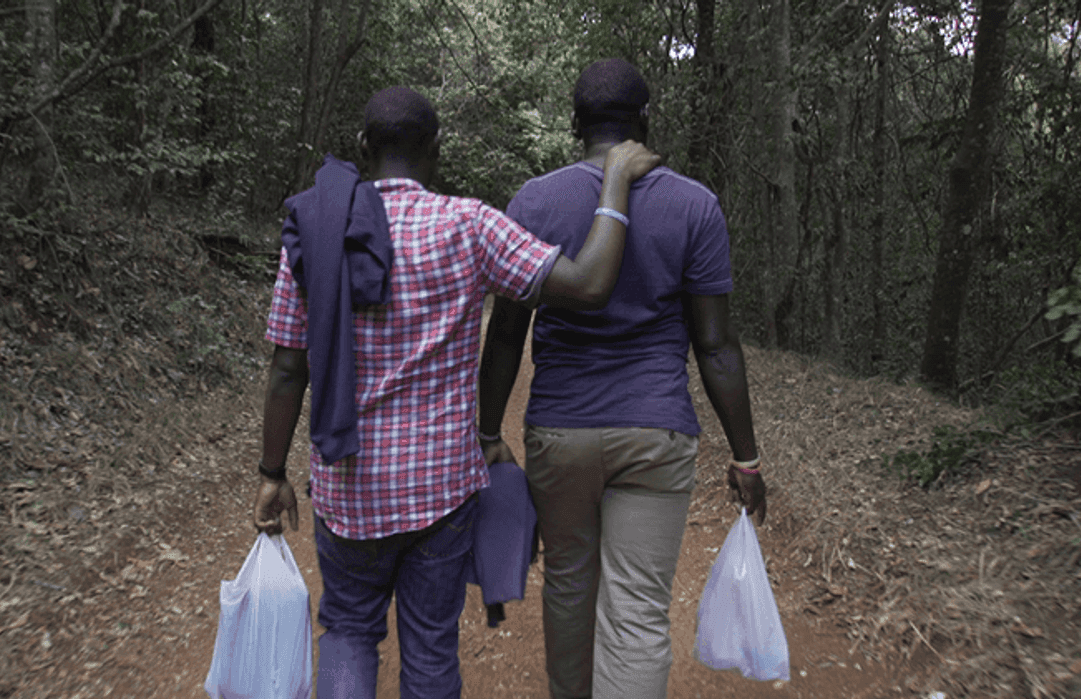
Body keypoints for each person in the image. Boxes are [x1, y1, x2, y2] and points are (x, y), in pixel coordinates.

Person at [250, 85, 661, 699]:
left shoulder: (314, 232)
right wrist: (616, 181)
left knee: (347, 630)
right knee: (431, 645)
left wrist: (272, 471)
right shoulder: (469, 225)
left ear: (363, 147)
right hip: (439, 493)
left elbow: (288, 368)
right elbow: (589, 282)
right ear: (437, 149)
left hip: (347, 490)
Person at [477, 59, 769, 699]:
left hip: (561, 429)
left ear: (575, 123)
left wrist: (487, 430)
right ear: (644, 121)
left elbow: (506, 332)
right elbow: (715, 344)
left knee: (569, 585)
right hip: (655, 431)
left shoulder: (535, 200)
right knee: (636, 611)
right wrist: (745, 457)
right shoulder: (695, 205)